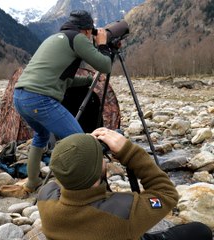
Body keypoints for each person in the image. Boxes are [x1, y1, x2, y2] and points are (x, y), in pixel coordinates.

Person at [37, 127, 213, 240]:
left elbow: (71, 173)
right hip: (125, 232)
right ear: (99, 171)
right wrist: (129, 152)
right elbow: (166, 193)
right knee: (200, 230)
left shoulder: (46, 197)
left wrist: (82, 149)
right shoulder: (125, 213)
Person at [13, 10, 112, 192]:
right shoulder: (79, 38)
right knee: (82, 141)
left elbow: (61, 79)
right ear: (87, 30)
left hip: (20, 97)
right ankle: (88, 190)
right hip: (39, 99)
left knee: (41, 136)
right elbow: (105, 65)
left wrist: (89, 81)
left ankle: (32, 182)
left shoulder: (55, 38)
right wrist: (103, 45)